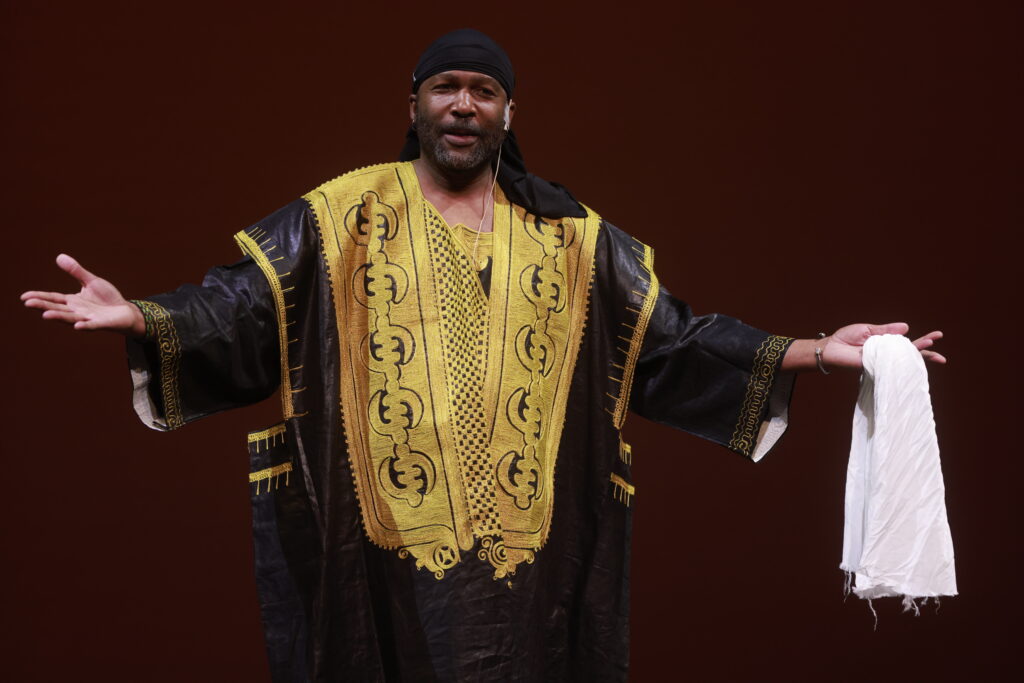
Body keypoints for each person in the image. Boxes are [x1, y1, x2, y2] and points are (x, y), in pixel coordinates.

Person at [21, 29, 944, 683]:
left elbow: (673, 339)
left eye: (484, 90)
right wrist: (143, 318)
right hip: (374, 556)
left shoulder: (571, 238)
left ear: (508, 111)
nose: (463, 104)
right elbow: (241, 304)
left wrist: (823, 352)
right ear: (414, 103)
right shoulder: (345, 213)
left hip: (529, 577)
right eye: (445, 87)